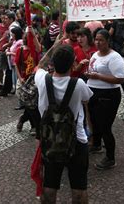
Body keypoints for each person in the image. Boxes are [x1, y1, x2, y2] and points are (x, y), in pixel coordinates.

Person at [35, 44, 93, 204]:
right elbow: (86, 100)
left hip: (50, 140)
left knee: (49, 186)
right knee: (79, 189)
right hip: (76, 140)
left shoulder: (41, 80)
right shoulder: (79, 84)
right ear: (73, 63)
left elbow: (39, 65)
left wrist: (53, 46)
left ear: (52, 63)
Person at [86, 29, 124, 169]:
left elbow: (120, 79)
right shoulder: (95, 55)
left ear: (108, 41)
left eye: (101, 40)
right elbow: (93, 70)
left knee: (105, 126)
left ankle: (110, 158)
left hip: (108, 95)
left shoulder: (114, 57)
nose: (98, 42)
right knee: (95, 122)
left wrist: (98, 77)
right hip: (93, 93)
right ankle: (96, 145)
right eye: (96, 39)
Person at [15, 27, 42, 134]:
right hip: (24, 81)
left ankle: (23, 119)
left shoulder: (35, 50)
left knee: (33, 105)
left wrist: (33, 33)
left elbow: (39, 48)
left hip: (35, 81)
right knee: (30, 105)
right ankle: (34, 125)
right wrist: (20, 78)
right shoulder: (20, 50)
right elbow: (16, 65)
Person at [6, 27, 24, 98]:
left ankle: (20, 94)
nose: (12, 35)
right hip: (13, 63)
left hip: (16, 63)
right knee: (14, 79)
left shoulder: (20, 42)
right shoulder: (14, 41)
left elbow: (19, 54)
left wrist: (10, 53)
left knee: (17, 79)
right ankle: (17, 92)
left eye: (13, 34)